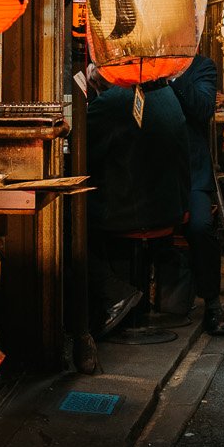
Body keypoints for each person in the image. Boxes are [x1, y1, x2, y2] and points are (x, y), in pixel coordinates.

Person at [85, 72, 190, 336]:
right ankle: (121, 297)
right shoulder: (166, 92)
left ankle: (115, 293)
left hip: (130, 208)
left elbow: (82, 148)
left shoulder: (114, 100)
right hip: (166, 204)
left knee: (64, 223)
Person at [171, 52, 224, 335]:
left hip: (191, 169)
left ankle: (213, 303)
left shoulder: (201, 66)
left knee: (200, 226)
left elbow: (203, 108)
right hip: (148, 167)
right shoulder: (139, 62)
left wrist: (173, 72)